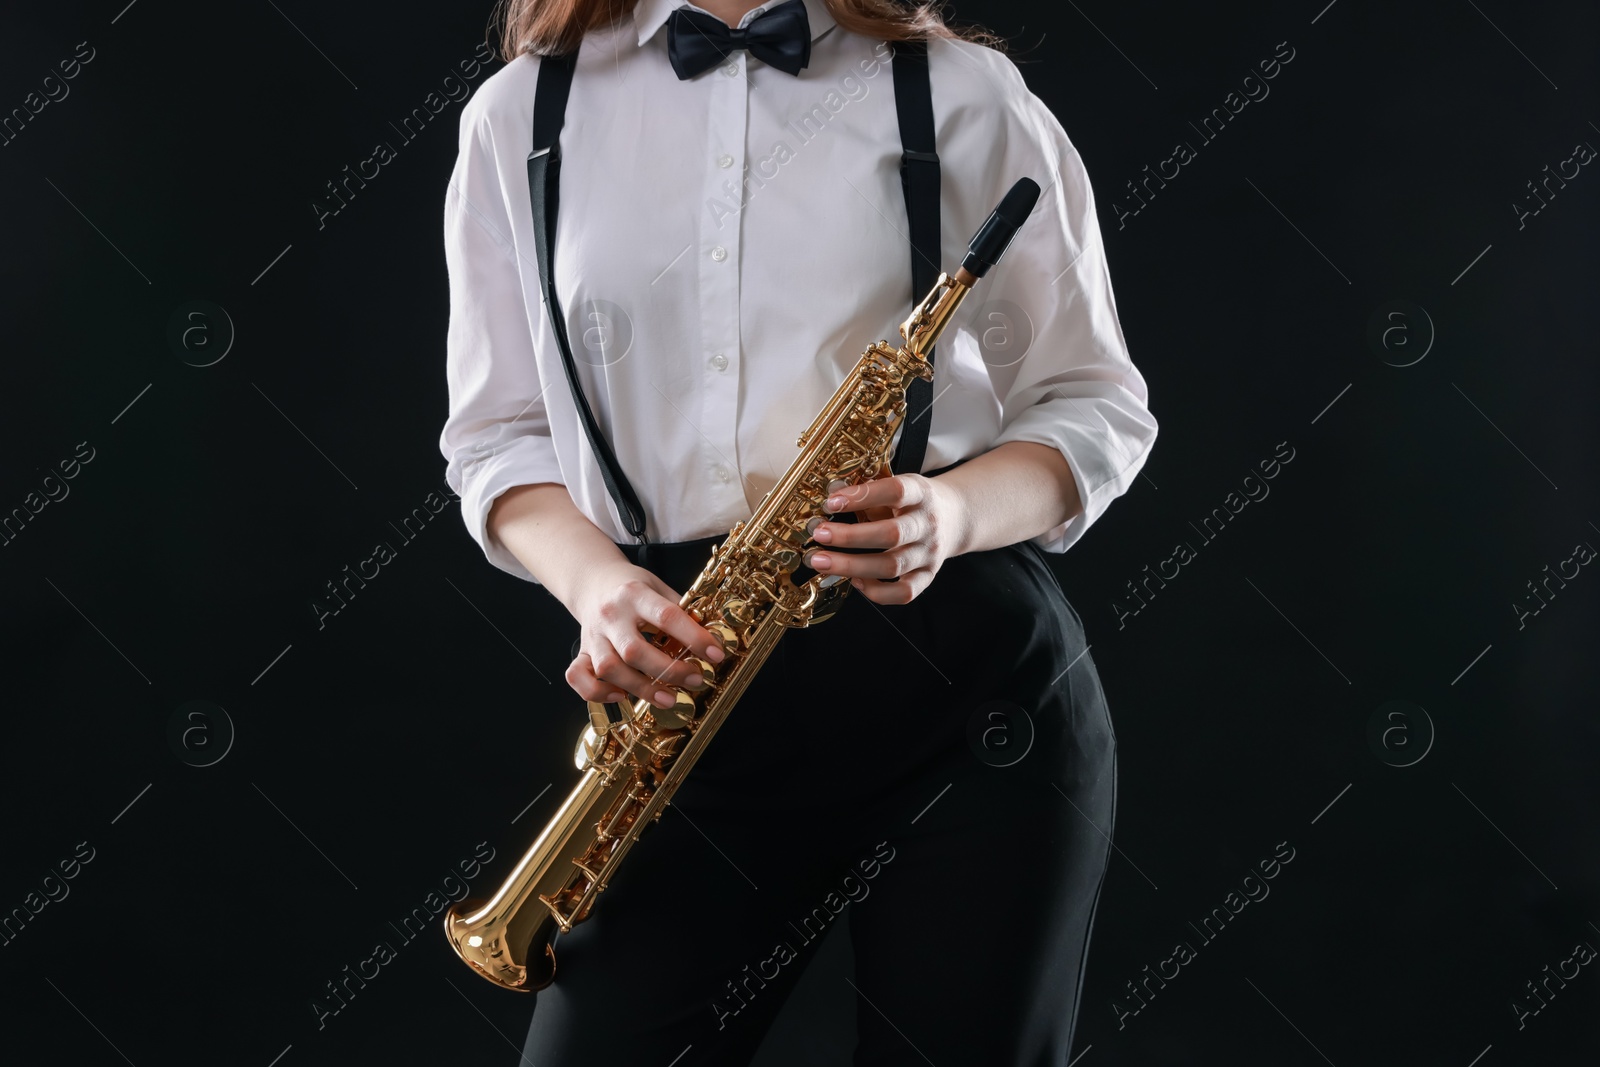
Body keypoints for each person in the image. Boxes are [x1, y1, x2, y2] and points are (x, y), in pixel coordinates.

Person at [439, 0, 1157, 1062]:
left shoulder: (956, 91)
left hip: (965, 691)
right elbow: (496, 435)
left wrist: (949, 512)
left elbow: (1095, 403)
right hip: (692, 692)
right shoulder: (522, 114)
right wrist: (596, 586)